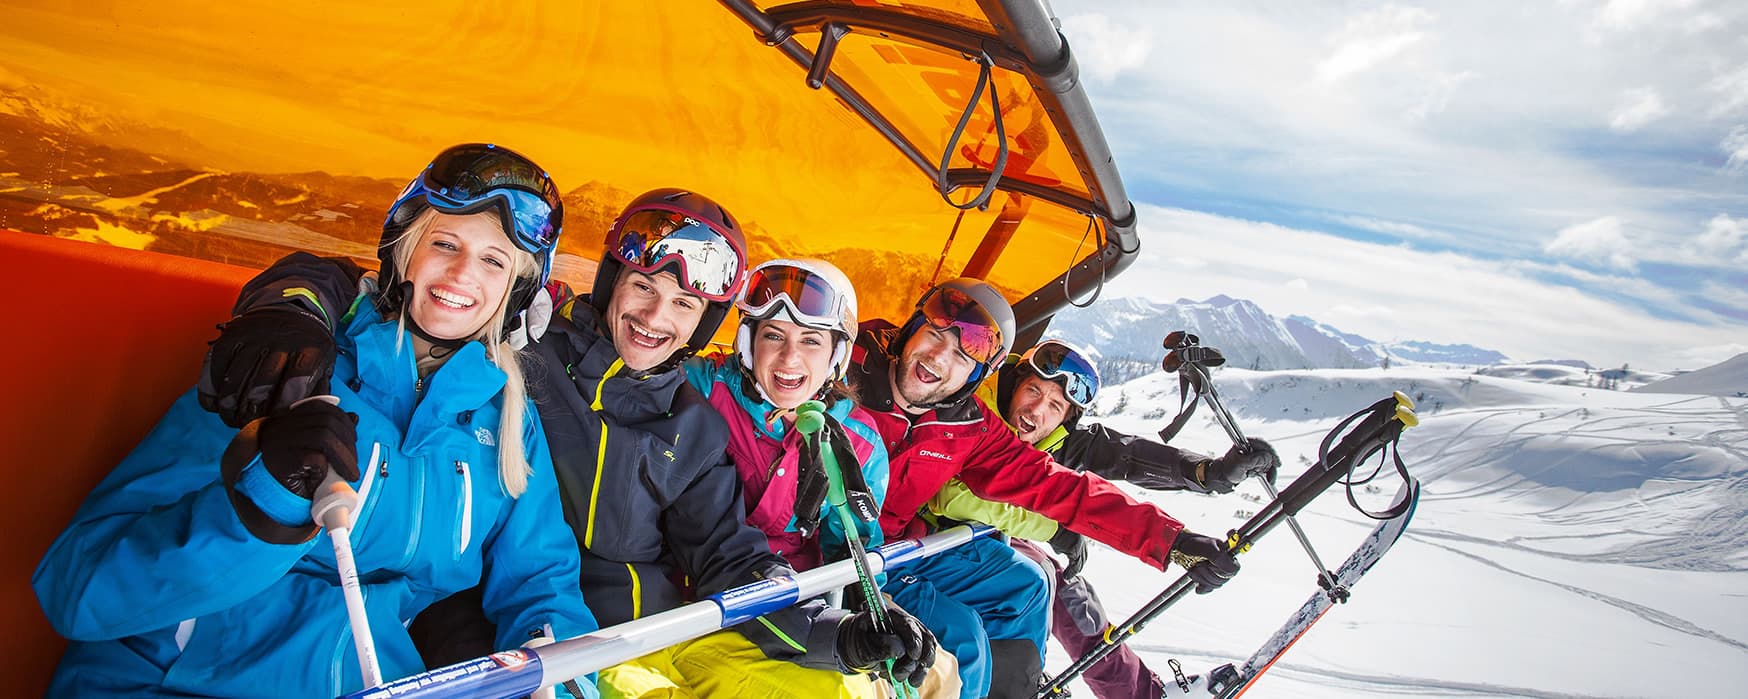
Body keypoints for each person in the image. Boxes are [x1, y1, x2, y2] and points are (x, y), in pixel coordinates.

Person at [192, 187, 933, 697]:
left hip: (654, 630)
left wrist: (836, 631)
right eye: (643, 286)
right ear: (610, 282)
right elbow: (378, 285)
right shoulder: (529, 358)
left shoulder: (692, 422)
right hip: (512, 623)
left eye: (684, 304)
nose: (655, 316)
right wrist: (291, 306)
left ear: (704, 325)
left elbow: (726, 556)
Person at [32, 143, 599, 698]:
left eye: (493, 260)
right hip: (174, 680)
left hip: (373, 682)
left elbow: (540, 579)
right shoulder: (294, 368)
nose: (460, 273)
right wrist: (264, 511)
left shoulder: (503, 421)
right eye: (444, 242)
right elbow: (77, 588)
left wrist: (559, 677)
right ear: (404, 251)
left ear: (517, 290)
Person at [848, 278, 1245, 699]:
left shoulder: (967, 424)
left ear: (978, 373)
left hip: (892, 550)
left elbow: (1071, 484)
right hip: (842, 551)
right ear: (912, 328)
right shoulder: (850, 361)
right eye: (933, 334)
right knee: (965, 638)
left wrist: (1171, 539)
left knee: (1027, 584)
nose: (938, 358)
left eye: (963, 356)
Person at [928, 338, 1280, 699]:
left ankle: (1141, 694)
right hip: (933, 540)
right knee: (1041, 578)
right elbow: (954, 496)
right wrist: (1055, 528)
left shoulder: (1054, 435)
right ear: (1013, 384)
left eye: (1054, 405)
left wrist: (1208, 473)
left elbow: (1125, 456)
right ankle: (1013, 680)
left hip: (980, 539)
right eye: (1032, 390)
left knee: (1072, 593)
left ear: (1067, 417)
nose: (1036, 410)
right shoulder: (975, 407)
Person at [681, 257, 954, 697]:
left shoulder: (856, 443)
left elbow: (851, 547)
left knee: (939, 673)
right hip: (711, 600)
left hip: (800, 603)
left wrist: (873, 609)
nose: (789, 358)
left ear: (835, 356)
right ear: (749, 344)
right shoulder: (701, 390)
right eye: (773, 336)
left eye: (811, 341)